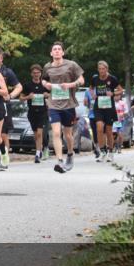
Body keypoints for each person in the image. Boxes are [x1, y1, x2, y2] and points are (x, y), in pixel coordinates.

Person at [41, 41, 85, 173]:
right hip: (54, 104)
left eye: (59, 49)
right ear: (51, 53)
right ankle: (59, 160)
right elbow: (43, 79)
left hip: (68, 104)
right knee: (55, 132)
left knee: (68, 135)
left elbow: (82, 80)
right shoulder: (47, 66)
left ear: (63, 52)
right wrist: (46, 84)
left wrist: (70, 85)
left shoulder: (71, 65)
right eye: (54, 49)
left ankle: (70, 153)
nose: (57, 51)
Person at [0, 46, 22, 171]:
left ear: (1, 59)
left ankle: (5, 158)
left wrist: (10, 96)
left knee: (2, 134)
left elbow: (19, 87)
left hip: (3, 105)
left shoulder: (7, 72)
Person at [20, 64, 50, 163]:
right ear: (31, 74)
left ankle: (37, 153)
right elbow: (21, 98)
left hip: (42, 112)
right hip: (32, 112)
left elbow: (52, 95)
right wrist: (28, 97)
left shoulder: (44, 85)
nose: (36, 74)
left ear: (41, 73)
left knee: (40, 133)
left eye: (38, 73)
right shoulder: (27, 85)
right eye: (34, 73)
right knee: (36, 134)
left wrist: (47, 95)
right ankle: (40, 149)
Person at [90, 61, 120, 162]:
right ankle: (102, 151)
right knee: (99, 128)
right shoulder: (95, 79)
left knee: (108, 131)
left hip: (109, 107)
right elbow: (91, 88)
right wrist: (92, 94)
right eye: (100, 69)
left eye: (103, 69)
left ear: (107, 69)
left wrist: (112, 93)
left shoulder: (112, 79)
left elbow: (121, 90)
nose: (101, 71)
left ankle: (111, 152)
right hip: (98, 106)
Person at [113, 87, 128, 153]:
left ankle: (119, 147)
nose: (116, 97)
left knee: (120, 134)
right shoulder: (111, 103)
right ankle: (115, 146)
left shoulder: (122, 103)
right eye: (115, 95)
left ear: (120, 96)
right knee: (115, 134)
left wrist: (123, 114)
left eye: (118, 95)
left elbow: (127, 111)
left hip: (121, 120)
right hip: (114, 121)